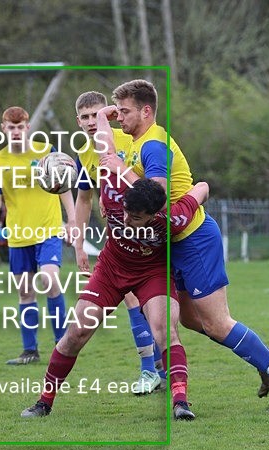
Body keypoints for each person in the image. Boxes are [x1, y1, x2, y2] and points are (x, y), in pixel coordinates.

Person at [110, 79, 269, 411]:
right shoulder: (138, 141)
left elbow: (155, 195)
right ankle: (264, 357)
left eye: (124, 111)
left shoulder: (153, 145)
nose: (118, 118)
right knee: (188, 319)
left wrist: (122, 172)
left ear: (146, 111)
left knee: (217, 322)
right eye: (116, 112)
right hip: (174, 243)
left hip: (195, 240)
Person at [21, 133, 208, 419]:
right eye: (125, 213)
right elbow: (105, 147)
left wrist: (194, 189)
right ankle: (44, 401)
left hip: (152, 272)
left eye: (135, 217)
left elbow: (202, 188)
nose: (127, 219)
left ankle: (180, 402)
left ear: (153, 213)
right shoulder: (119, 195)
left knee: (164, 331)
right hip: (110, 269)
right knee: (76, 333)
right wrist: (103, 115)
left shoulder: (173, 218)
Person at [73, 91, 166, 394]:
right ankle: (150, 370)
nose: (90, 122)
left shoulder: (127, 139)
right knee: (132, 298)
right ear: (78, 121)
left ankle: (158, 368)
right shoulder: (85, 154)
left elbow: (151, 185)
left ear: (111, 114)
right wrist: (78, 243)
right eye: (85, 117)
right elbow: (84, 199)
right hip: (121, 239)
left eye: (95, 115)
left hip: (155, 235)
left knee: (196, 315)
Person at [0, 106, 76, 365]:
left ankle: (62, 344)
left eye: (20, 127)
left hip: (48, 228)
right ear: (3, 129)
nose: (16, 131)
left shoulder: (45, 151)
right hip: (18, 234)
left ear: (27, 127)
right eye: (11, 127)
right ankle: (30, 351)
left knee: (50, 279)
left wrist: (72, 220)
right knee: (25, 292)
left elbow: (63, 187)